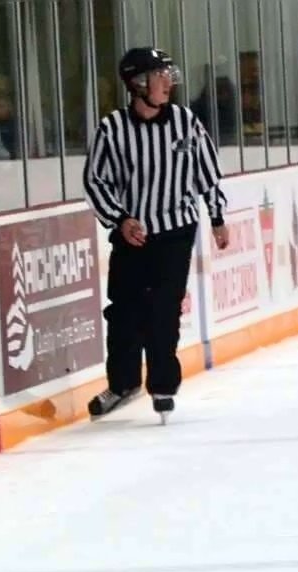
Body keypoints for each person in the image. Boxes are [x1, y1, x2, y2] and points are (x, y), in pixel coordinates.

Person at [83, 47, 229, 422]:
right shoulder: (112, 128)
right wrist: (120, 219)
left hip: (175, 232)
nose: (168, 83)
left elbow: (207, 172)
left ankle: (163, 384)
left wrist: (217, 216)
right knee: (124, 313)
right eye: (159, 76)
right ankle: (123, 383)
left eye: (168, 75)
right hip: (132, 234)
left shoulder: (185, 121)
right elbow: (95, 181)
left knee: (163, 309)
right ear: (137, 83)